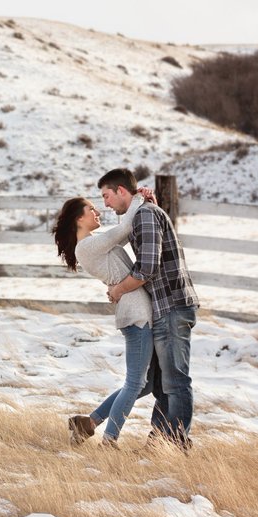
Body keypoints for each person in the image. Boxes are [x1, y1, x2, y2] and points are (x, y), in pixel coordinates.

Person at [100, 168, 199, 450]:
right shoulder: (143, 213)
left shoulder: (144, 215)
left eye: (106, 196)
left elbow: (146, 268)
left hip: (172, 306)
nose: (105, 203)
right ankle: (159, 442)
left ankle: (177, 442)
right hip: (165, 308)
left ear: (121, 191)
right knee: (162, 383)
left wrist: (118, 290)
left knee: (175, 381)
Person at [52, 193, 153, 448]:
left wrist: (147, 204)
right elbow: (125, 228)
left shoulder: (94, 243)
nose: (97, 213)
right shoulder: (86, 246)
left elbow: (128, 233)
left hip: (137, 310)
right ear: (79, 218)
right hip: (136, 314)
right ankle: (109, 440)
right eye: (92, 209)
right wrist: (137, 198)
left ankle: (89, 423)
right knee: (135, 383)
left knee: (146, 383)